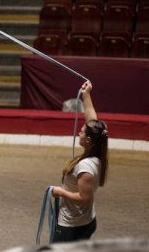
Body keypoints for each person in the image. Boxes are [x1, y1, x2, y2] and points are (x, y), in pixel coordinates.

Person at [51, 80, 109, 242]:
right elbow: (92, 120)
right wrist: (87, 95)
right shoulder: (98, 153)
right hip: (85, 221)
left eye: (82, 132)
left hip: (72, 224)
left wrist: (60, 192)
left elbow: (84, 199)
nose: (79, 133)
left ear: (89, 139)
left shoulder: (85, 166)